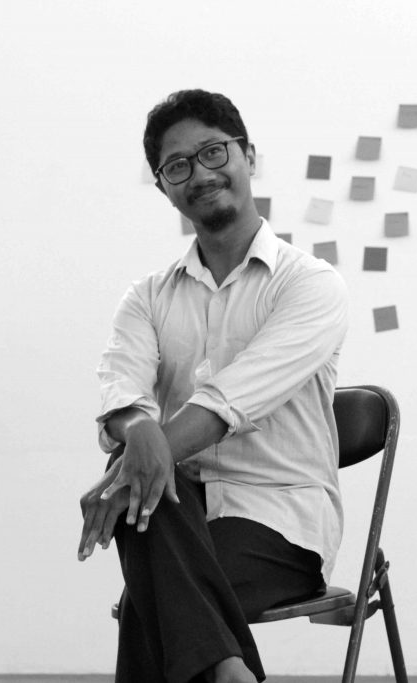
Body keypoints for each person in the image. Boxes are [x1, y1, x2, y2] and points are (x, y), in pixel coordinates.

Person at [77, 89, 349, 683]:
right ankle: (230, 673)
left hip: (279, 520)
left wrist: (139, 454)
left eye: (212, 152)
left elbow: (232, 401)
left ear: (248, 155)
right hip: (180, 510)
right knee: (148, 479)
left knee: (148, 599)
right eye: (178, 166)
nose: (199, 174)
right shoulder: (147, 297)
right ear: (163, 187)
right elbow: (120, 387)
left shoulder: (311, 286)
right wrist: (140, 433)